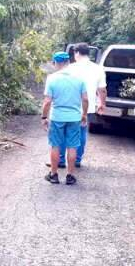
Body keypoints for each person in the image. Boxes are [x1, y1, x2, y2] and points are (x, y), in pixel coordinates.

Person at [46, 43, 106, 169]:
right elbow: (102, 89)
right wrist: (101, 103)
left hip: (69, 105)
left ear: (77, 53)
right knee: (80, 133)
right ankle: (77, 160)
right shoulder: (98, 68)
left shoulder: (71, 68)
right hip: (87, 107)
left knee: (61, 134)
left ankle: (60, 161)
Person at [41, 51, 88, 185]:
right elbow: (85, 99)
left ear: (56, 63)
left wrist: (44, 117)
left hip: (57, 118)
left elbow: (47, 101)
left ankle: (54, 174)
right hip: (74, 117)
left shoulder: (52, 78)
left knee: (55, 145)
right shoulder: (79, 78)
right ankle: (70, 176)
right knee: (72, 146)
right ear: (68, 62)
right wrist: (84, 114)